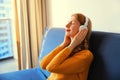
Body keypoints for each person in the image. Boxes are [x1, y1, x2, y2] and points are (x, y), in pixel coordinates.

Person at [40, 13, 93, 80]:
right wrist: (64, 44)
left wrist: (72, 45)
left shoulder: (86, 55)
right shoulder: (66, 50)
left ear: (82, 29)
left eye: (72, 23)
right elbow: (43, 64)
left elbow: (51, 67)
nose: (66, 25)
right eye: (68, 22)